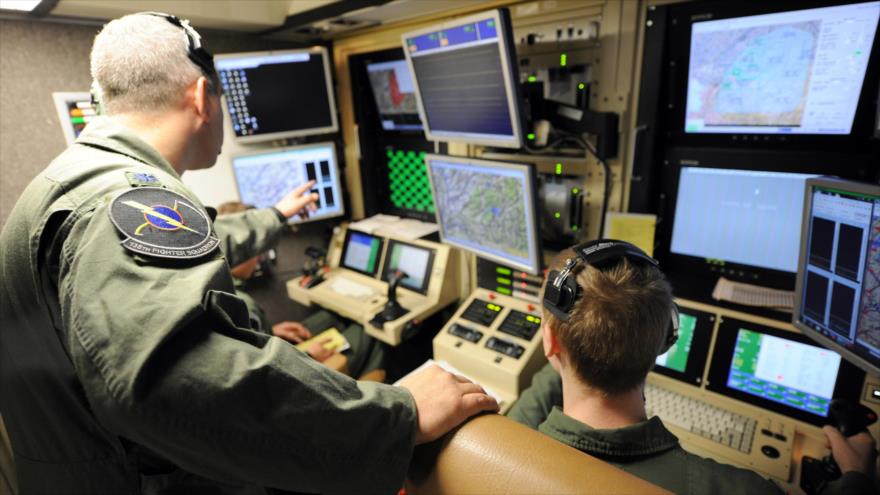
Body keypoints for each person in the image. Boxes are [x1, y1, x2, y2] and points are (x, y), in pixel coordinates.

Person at [0, 12, 497, 494]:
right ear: (202, 97)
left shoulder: (80, 183)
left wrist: (276, 217)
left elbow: (184, 243)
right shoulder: (124, 198)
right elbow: (172, 384)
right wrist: (398, 413)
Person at [508, 241, 879, 494]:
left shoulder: (504, 444)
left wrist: (563, 334)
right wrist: (857, 479)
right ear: (665, 341)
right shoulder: (748, 490)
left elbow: (534, 396)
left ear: (550, 343)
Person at [218, 201, 386, 380]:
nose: (260, 256)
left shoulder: (222, 287)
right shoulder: (243, 304)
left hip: (273, 352)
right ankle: (362, 393)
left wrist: (270, 331)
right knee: (369, 331)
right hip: (290, 378)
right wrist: (310, 356)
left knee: (333, 318)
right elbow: (265, 374)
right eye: (256, 248)